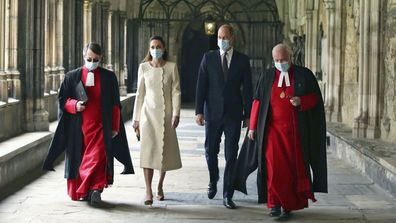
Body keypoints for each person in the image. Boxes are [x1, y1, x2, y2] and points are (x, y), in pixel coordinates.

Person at [242, 43, 327, 220]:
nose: (280, 63)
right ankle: (274, 204)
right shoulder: (267, 76)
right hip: (272, 132)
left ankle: (288, 204)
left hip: (295, 134)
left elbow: (316, 100)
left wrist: (301, 101)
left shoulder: (304, 75)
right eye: (276, 60)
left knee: (290, 171)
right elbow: (257, 101)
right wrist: (252, 126)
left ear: (291, 58)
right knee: (273, 169)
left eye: (283, 60)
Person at [43, 42, 134, 205]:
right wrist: (74, 105)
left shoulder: (109, 77)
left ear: (101, 58)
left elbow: (115, 104)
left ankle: (95, 189)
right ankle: (84, 191)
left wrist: (114, 126)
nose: (92, 62)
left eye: (96, 59)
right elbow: (62, 100)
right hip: (79, 127)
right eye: (89, 58)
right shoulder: (71, 77)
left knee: (98, 157)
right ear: (84, 56)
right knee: (80, 158)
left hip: (101, 126)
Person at [195, 24, 253, 209]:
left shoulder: (243, 60)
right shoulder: (208, 58)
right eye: (220, 37)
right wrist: (199, 111)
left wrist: (248, 114)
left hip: (233, 114)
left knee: (231, 154)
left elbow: (248, 89)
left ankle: (227, 194)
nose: (222, 40)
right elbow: (201, 85)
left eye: (225, 37)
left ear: (232, 38)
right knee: (210, 151)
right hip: (212, 113)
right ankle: (214, 179)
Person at [132, 35, 182, 206]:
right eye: (152, 47)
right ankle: (148, 190)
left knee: (164, 153)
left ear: (164, 48)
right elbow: (139, 95)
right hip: (147, 116)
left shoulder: (172, 67)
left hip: (167, 116)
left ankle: (160, 185)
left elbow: (176, 91)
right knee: (148, 153)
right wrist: (136, 119)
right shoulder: (143, 67)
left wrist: (176, 113)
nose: (155, 50)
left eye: (158, 46)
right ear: (149, 49)